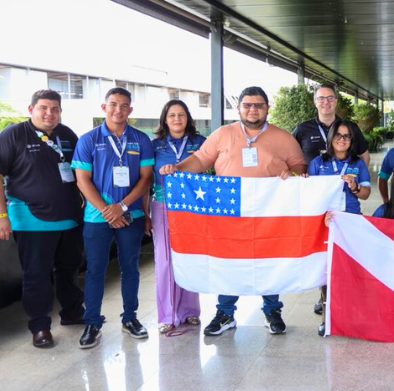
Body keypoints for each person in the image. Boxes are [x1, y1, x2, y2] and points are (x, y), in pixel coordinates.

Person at [159, 86, 307, 336]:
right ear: (238, 108)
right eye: (247, 104)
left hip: (267, 212)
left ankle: (272, 311)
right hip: (229, 211)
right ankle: (225, 313)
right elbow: (201, 160)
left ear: (267, 108)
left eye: (259, 104)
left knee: (268, 260)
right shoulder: (222, 134)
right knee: (229, 261)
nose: (253, 109)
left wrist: (291, 173)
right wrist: (179, 168)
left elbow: (300, 166)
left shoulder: (283, 137)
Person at [0, 89, 84, 349]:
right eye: (43, 108)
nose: (49, 113)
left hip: (70, 218)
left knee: (69, 270)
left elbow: (81, 172)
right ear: (31, 109)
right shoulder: (13, 135)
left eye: (55, 109)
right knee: (37, 275)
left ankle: (73, 312)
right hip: (31, 219)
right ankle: (39, 326)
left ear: (60, 111)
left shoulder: (67, 135)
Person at [72, 87, 154, 349]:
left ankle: (130, 318)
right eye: (113, 104)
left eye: (124, 105)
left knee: (130, 268)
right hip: (97, 217)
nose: (118, 109)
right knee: (95, 270)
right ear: (104, 107)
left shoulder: (141, 139)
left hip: (131, 215)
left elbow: (146, 178)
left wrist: (121, 206)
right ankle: (92, 322)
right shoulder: (88, 139)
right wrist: (109, 210)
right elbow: (82, 180)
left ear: (131, 109)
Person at [146, 100, 206, 334]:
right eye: (172, 115)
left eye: (181, 115)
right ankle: (167, 314)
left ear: (188, 118)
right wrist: (146, 215)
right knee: (164, 260)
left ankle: (190, 310)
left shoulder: (199, 143)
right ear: (165, 119)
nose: (177, 119)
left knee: (189, 256)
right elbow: (145, 181)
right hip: (162, 205)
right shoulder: (154, 146)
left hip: (192, 208)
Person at [308, 119, 371, 323]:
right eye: (338, 135)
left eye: (346, 136)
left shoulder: (357, 163)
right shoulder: (318, 163)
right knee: (327, 270)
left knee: (349, 267)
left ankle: (351, 312)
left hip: (351, 222)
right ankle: (328, 317)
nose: (342, 140)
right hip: (326, 224)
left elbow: (366, 194)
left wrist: (354, 187)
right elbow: (310, 195)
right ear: (330, 138)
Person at [293, 84, 370, 167]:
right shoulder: (303, 129)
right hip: (314, 179)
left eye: (330, 98)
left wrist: (358, 177)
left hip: (344, 179)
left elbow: (364, 156)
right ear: (315, 102)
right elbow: (288, 156)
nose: (326, 102)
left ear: (336, 101)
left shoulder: (351, 127)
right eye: (321, 98)